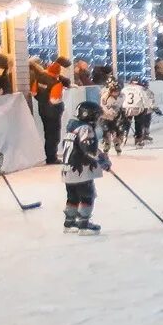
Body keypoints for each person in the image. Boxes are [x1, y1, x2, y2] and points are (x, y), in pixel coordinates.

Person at [60, 97, 110, 233]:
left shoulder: (72, 129)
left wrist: (101, 155)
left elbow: (81, 146)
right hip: (81, 171)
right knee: (88, 195)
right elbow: (88, 149)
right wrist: (102, 160)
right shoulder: (85, 128)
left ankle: (69, 223)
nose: (99, 120)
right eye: (97, 116)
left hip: (68, 170)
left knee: (73, 197)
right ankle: (83, 224)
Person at [123, 76, 154, 145]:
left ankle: (124, 135)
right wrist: (148, 107)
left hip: (126, 108)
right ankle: (138, 139)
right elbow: (145, 100)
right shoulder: (141, 89)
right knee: (139, 123)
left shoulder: (125, 88)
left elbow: (121, 98)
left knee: (126, 122)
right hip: (137, 108)